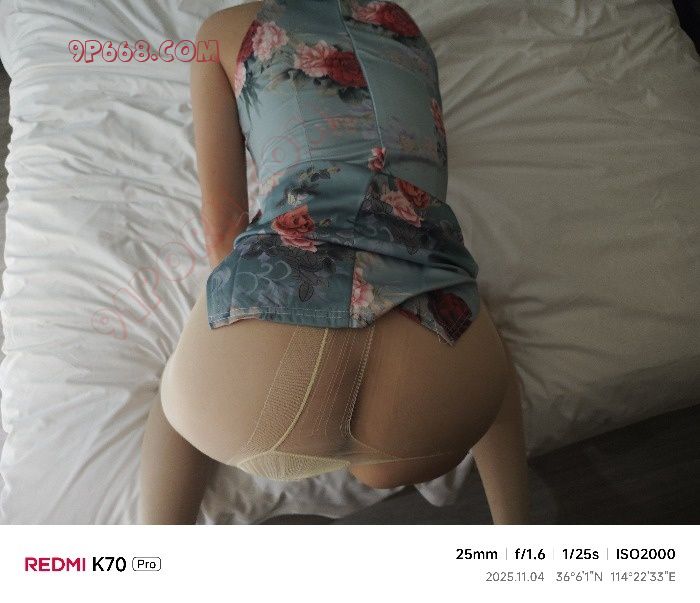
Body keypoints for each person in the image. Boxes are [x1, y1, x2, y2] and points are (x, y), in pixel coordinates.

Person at [138, 0, 530, 525]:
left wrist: (238, 308)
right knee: (480, 340)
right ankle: (517, 531)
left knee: (175, 404)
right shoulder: (403, 25)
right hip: (430, 394)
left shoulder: (225, 29)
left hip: (265, 396)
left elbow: (223, 226)